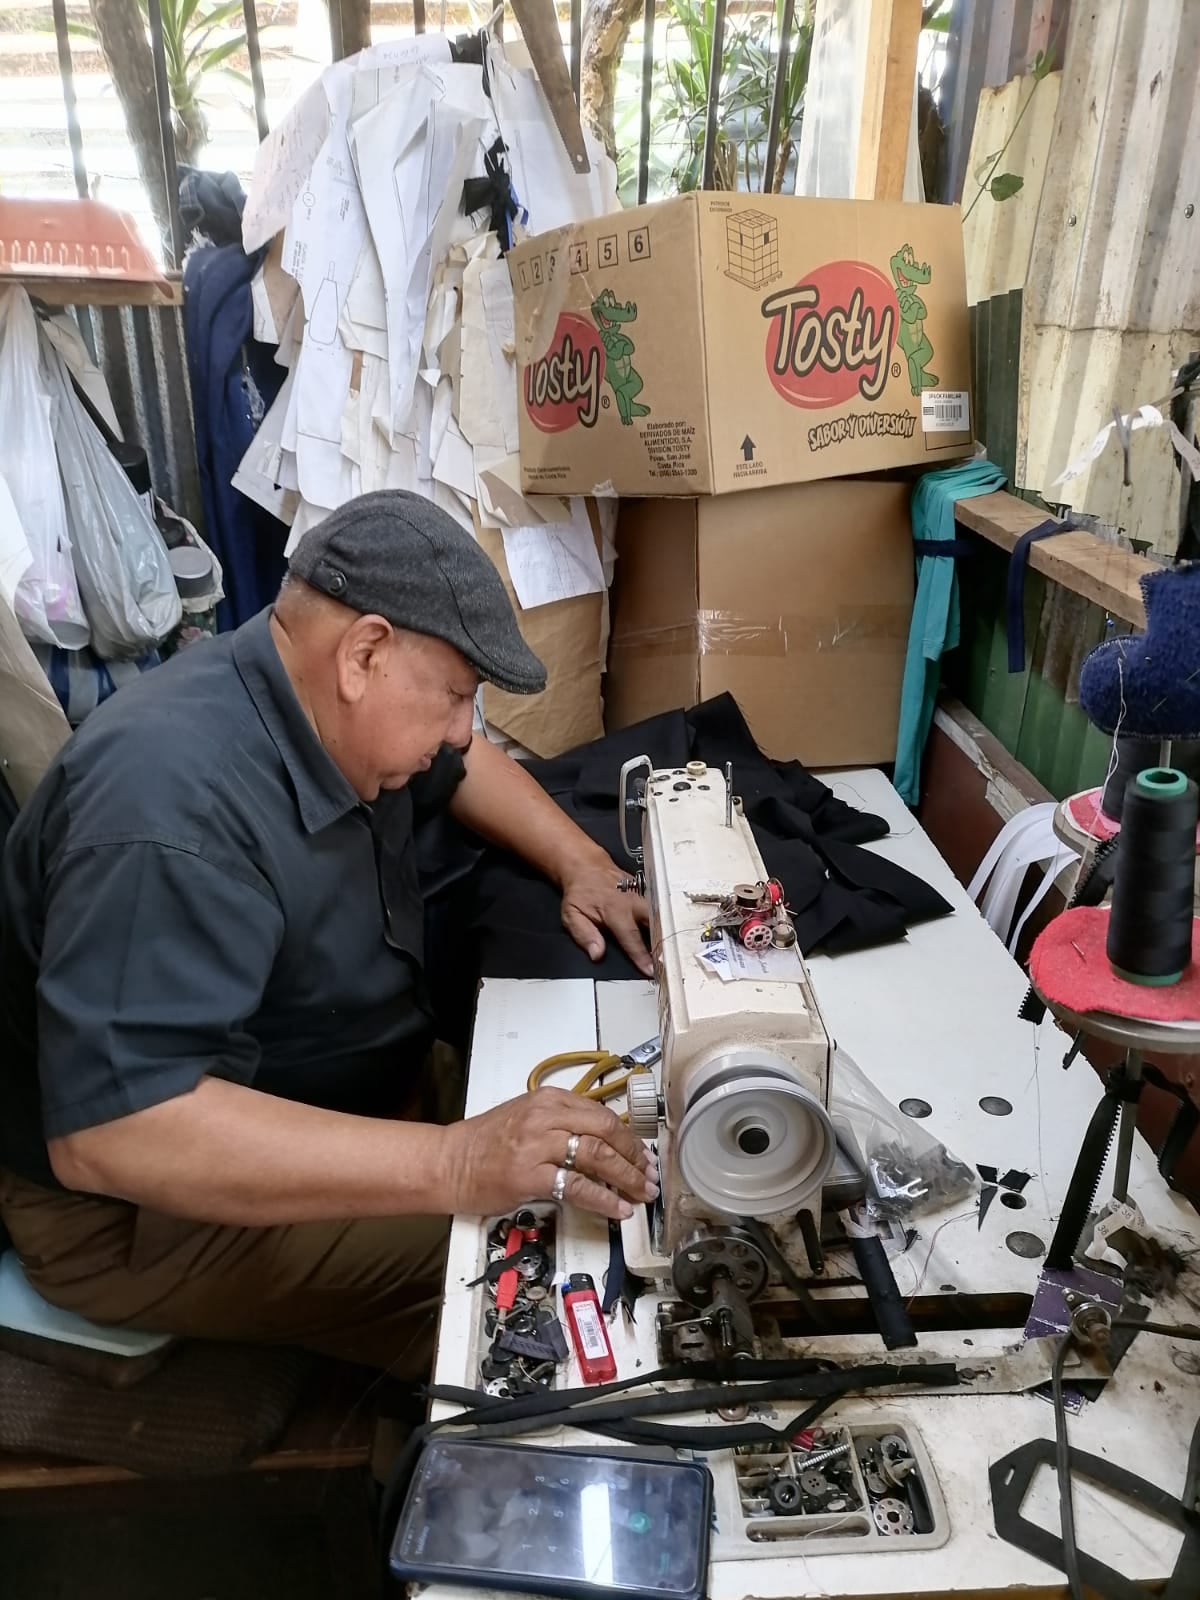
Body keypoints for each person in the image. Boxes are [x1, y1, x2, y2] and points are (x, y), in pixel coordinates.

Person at [0, 490, 658, 1376]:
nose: (463, 730)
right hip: (139, 1216)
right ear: (364, 653)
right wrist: (456, 1161)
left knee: (608, 1138)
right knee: (553, 1272)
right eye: (456, 696)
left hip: (330, 1085)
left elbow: (467, 765)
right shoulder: (166, 816)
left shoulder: (312, 698)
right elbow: (121, 1131)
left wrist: (581, 861)